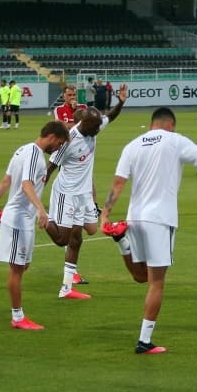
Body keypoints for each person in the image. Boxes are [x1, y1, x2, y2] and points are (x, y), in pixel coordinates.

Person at [100, 107, 197, 354]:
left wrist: (105, 213)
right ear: (170, 124)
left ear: (152, 123)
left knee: (141, 276)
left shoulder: (132, 145)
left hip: (135, 218)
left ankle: (121, 240)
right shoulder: (174, 140)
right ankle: (144, 341)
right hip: (160, 219)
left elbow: (119, 183)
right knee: (157, 282)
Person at [45, 86, 128, 300]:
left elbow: (111, 116)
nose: (99, 132)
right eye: (96, 128)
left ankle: (67, 288)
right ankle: (45, 220)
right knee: (66, 240)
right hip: (66, 193)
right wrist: (35, 199)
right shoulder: (69, 140)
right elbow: (50, 167)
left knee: (89, 231)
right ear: (85, 124)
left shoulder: (94, 124)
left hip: (83, 194)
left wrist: (120, 102)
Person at [0, 121, 71, 330]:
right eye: (59, 143)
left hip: (22, 218)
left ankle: (17, 315)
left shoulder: (22, 150)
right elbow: (25, 184)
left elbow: (7, 180)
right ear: (51, 136)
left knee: (23, 265)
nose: (58, 148)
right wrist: (41, 210)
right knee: (17, 268)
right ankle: (18, 317)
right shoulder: (34, 154)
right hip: (18, 217)